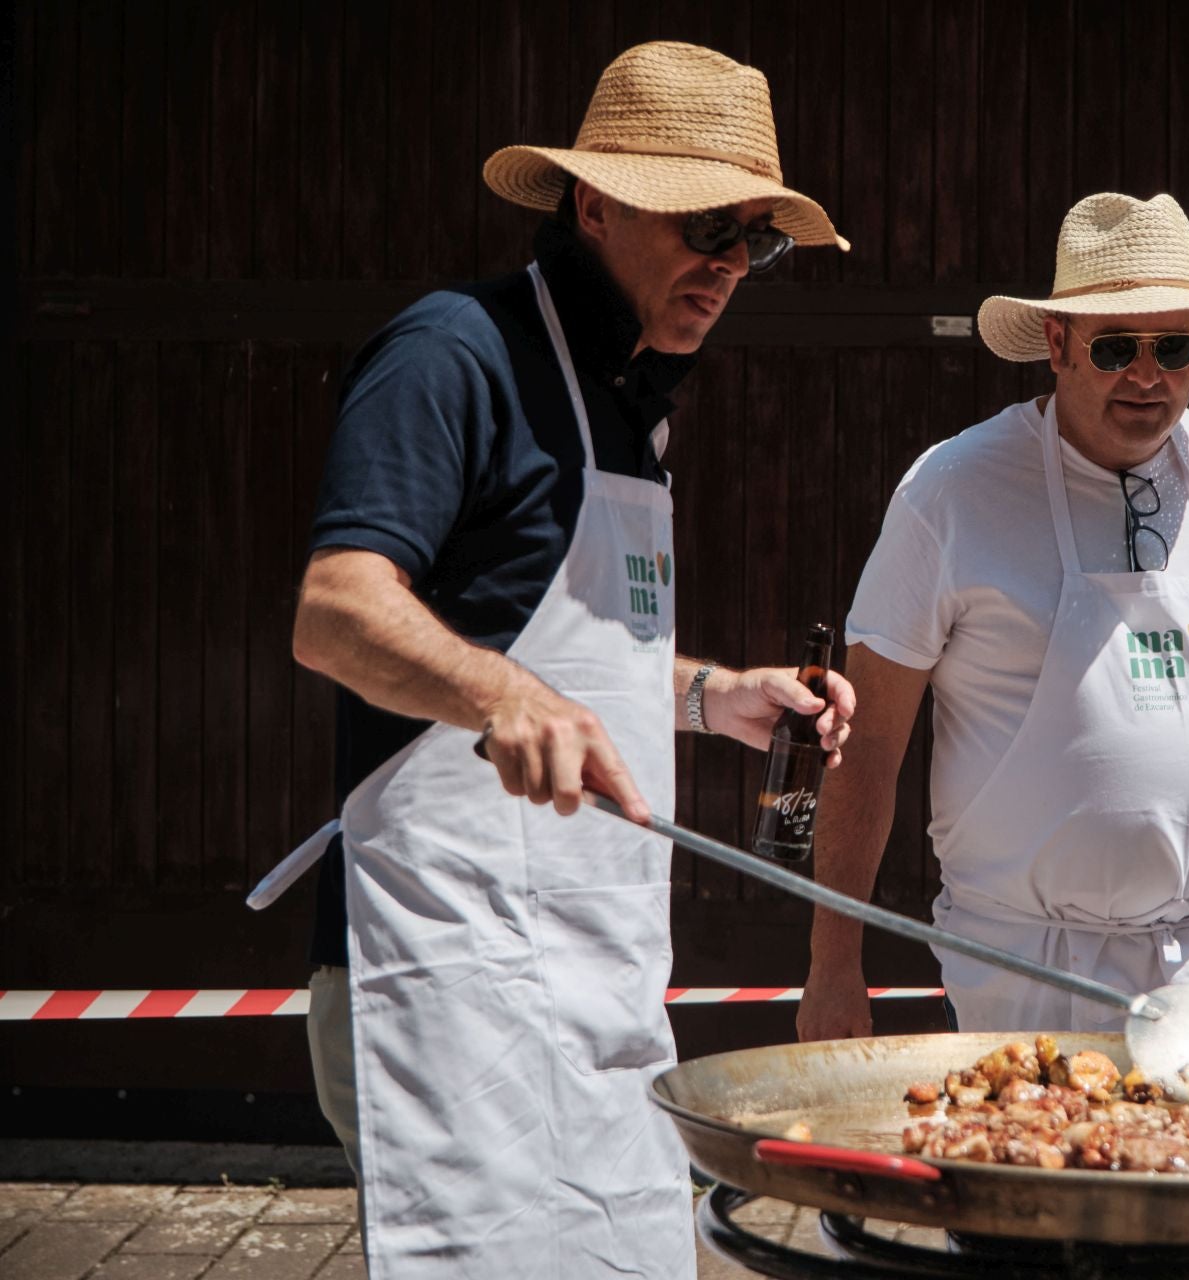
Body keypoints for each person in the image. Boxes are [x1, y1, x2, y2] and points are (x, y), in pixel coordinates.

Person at [248, 42, 853, 1280]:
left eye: (757, 240)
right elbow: (337, 610)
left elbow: (570, 650)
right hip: (445, 957)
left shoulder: (635, 400)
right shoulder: (451, 352)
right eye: (705, 225)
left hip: (598, 960)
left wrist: (711, 696)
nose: (731, 263)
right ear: (594, 203)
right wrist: (498, 693)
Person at [796, 193, 1189, 1265]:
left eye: (1175, 347)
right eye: (1116, 344)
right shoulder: (952, 491)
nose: (1147, 375)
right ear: (1053, 343)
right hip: (1040, 980)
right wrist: (835, 964)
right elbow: (869, 746)